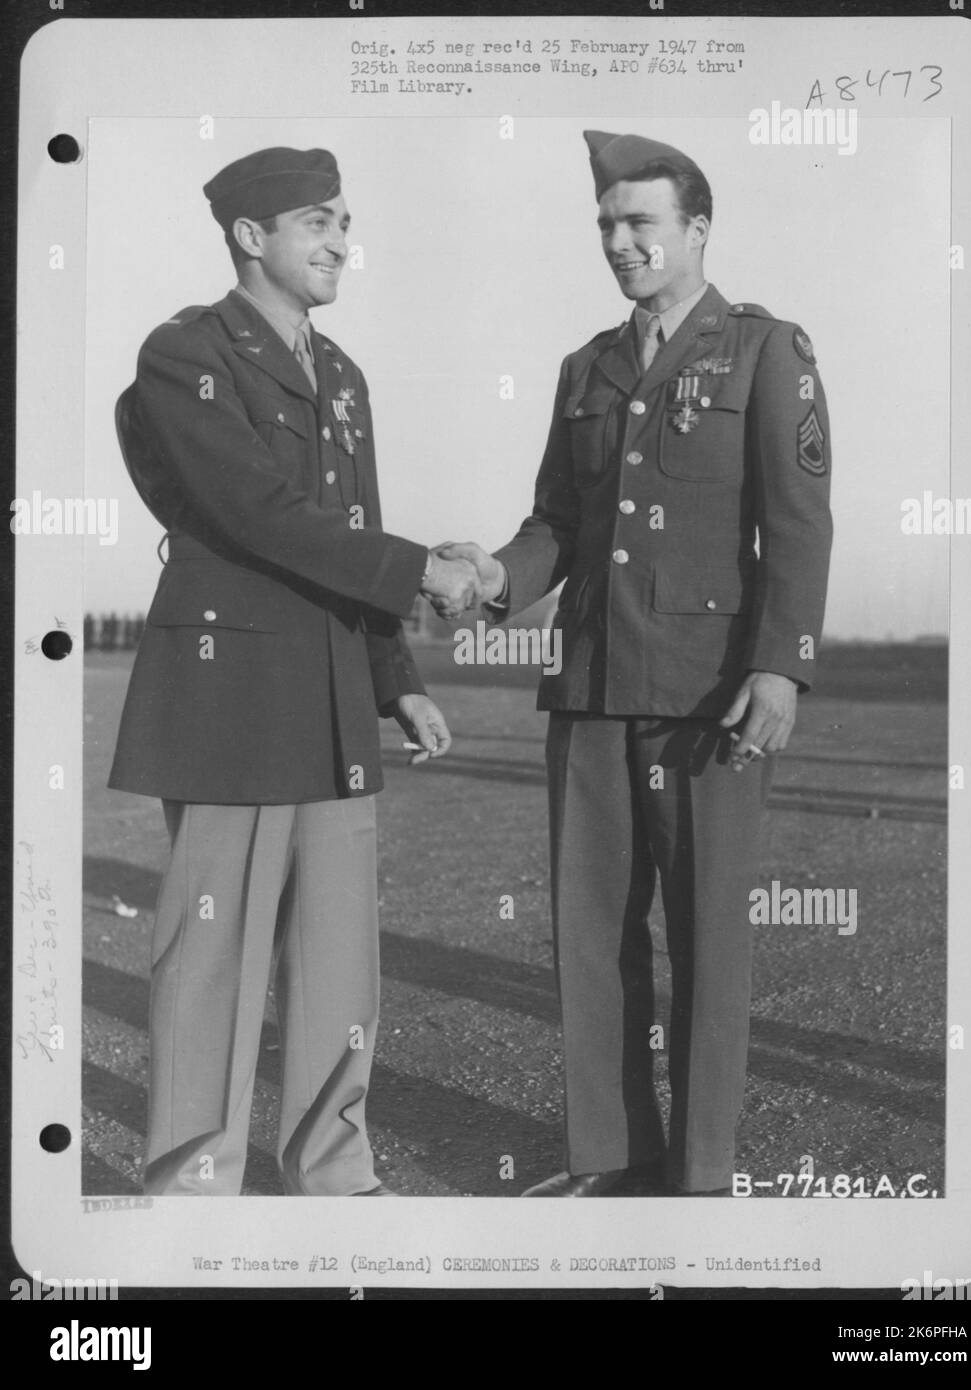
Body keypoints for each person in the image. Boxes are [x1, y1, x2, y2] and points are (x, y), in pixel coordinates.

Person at [435, 130, 834, 1196]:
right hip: (595, 687)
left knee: (708, 945)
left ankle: (700, 1178)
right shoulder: (588, 368)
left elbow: (797, 525)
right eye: (607, 224)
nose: (620, 242)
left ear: (695, 231)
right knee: (591, 938)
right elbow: (556, 524)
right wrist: (490, 581)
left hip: (713, 695)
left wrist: (782, 667)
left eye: (640, 222)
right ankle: (612, 1162)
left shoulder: (765, 350)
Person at [109, 146, 477, 1195]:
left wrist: (394, 675)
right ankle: (193, 1178)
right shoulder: (186, 354)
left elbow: (340, 533)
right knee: (211, 959)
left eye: (345, 221)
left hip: (330, 698)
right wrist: (423, 571)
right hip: (231, 698)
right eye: (318, 221)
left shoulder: (344, 375)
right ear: (250, 235)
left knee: (337, 965)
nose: (340, 242)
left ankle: (332, 1168)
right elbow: (256, 514)